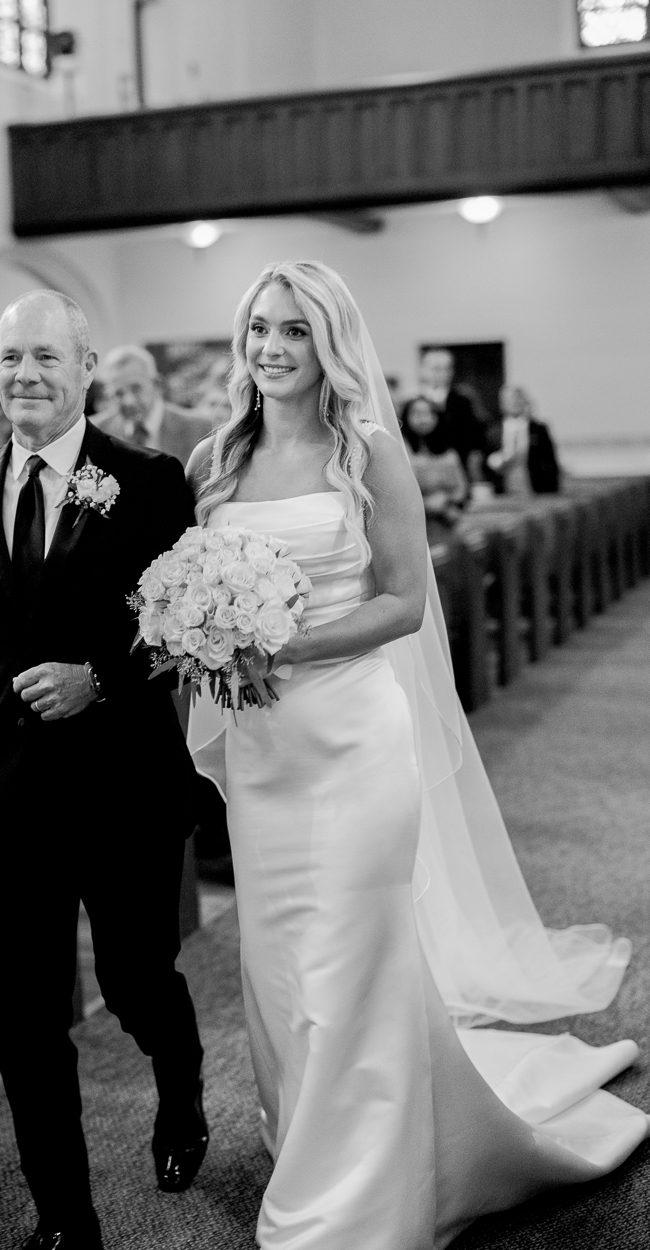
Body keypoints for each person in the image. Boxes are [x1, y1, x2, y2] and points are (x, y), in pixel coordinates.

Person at [186, 260, 647, 1250]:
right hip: (266, 756)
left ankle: (361, 1189)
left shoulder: (370, 450)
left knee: (352, 958)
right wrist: (203, 640)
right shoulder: (216, 459)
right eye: (259, 327)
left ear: (331, 342)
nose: (271, 346)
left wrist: (280, 646)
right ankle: (310, 1135)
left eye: (295, 330)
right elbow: (199, 586)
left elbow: (404, 602)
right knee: (279, 967)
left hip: (353, 739)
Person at [0, 290, 207, 1250]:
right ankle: (65, 1220)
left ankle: (180, 1088)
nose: (25, 377)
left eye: (46, 358)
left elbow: (184, 630)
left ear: (86, 369)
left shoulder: (150, 480)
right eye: (10, 361)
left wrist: (100, 679)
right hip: (8, 795)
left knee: (133, 982)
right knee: (27, 1019)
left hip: (121, 786)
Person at [94, 344, 212, 465]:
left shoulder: (199, 428)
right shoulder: (97, 432)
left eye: (136, 388)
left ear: (157, 384)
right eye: (118, 393)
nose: (129, 401)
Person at [418, 347, 488, 483]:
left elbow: (477, 431)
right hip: (425, 467)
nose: (443, 373)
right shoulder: (415, 401)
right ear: (424, 370)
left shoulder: (464, 399)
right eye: (436, 369)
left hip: (459, 465)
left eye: (447, 368)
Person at [401, 394, 469, 531]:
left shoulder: (447, 450)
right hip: (416, 521)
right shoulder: (402, 449)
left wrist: (447, 502)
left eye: (427, 413)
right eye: (416, 413)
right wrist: (427, 504)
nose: (422, 419)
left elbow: (461, 487)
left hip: (450, 516)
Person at [487, 383, 561, 495]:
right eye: (509, 399)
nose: (514, 403)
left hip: (534, 489)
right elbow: (485, 461)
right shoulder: (494, 431)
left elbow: (550, 463)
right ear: (502, 403)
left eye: (517, 398)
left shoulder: (539, 430)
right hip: (504, 491)